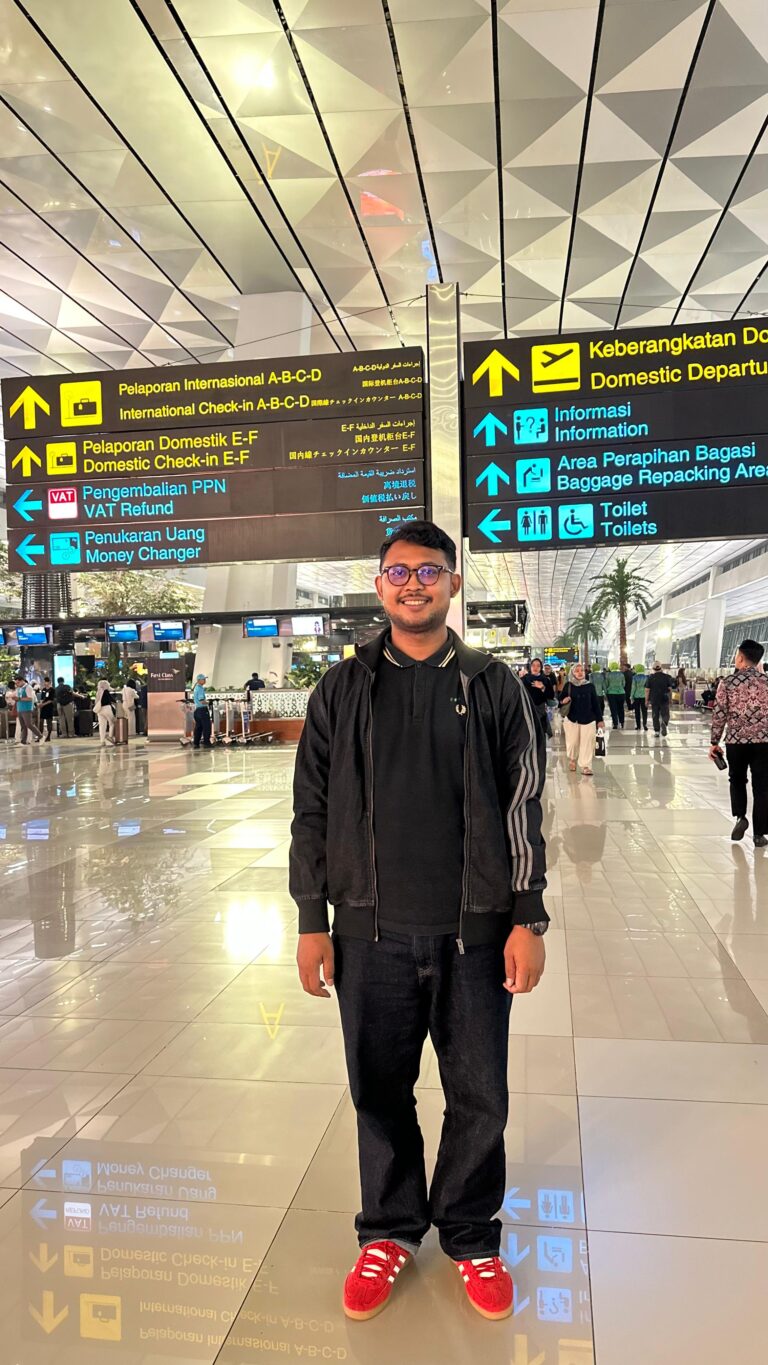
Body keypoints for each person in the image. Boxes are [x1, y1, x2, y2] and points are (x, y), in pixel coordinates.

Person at [291, 520, 547, 1325]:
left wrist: (528, 915)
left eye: (429, 571)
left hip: (475, 931)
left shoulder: (493, 684)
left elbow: (523, 805)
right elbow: (311, 810)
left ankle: (470, 1232)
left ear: (453, 583)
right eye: (399, 572)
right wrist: (311, 917)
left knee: (480, 1094)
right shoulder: (342, 689)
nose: (413, 584)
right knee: (378, 1090)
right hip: (368, 933)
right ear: (380, 586)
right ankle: (390, 1227)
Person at [710, 639, 768, 847]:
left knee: (736, 779)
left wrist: (714, 741)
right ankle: (759, 834)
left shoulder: (727, 683)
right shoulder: (766, 682)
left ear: (741, 657)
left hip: (736, 741)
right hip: (764, 741)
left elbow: (719, 714)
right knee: (762, 786)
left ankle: (740, 816)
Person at [559, 662, 603, 775]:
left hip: (589, 719)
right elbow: (560, 700)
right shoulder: (568, 685)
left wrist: (600, 720)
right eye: (577, 671)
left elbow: (595, 703)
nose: (580, 673)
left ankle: (586, 766)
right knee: (573, 742)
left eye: (582, 670)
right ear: (572, 673)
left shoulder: (590, 686)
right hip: (572, 719)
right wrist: (563, 701)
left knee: (587, 743)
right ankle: (572, 759)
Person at [522, 657, 555, 737]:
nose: (535, 668)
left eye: (538, 666)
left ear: (541, 668)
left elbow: (551, 695)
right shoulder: (524, 679)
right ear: (530, 667)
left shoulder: (545, 680)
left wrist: (543, 687)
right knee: (528, 735)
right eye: (533, 665)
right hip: (527, 711)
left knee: (540, 735)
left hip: (540, 711)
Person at [645, 661, 674, 737]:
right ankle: (664, 722)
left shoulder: (650, 677)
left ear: (653, 668)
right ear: (661, 668)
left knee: (655, 714)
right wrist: (670, 699)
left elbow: (647, 690)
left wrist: (646, 700)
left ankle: (657, 731)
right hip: (664, 697)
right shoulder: (667, 677)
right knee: (665, 713)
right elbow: (670, 689)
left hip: (654, 698)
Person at [15, 675, 41, 745]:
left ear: (22, 681)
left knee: (29, 724)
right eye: (16, 683)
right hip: (20, 708)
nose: (17, 684)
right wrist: (15, 698)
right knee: (23, 726)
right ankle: (23, 741)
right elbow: (18, 698)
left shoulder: (28, 687)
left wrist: (19, 699)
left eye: (18, 683)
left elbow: (30, 698)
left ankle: (40, 736)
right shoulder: (19, 688)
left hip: (27, 709)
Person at [192, 673, 213, 749]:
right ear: (199, 680)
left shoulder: (196, 688)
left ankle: (196, 743)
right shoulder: (200, 688)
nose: (205, 680)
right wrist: (209, 702)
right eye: (203, 679)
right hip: (202, 710)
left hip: (197, 710)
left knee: (198, 727)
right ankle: (206, 743)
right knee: (206, 727)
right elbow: (202, 701)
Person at [94, 679, 117, 745]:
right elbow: (111, 699)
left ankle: (102, 741)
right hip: (107, 708)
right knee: (112, 722)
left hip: (99, 710)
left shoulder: (98, 692)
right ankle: (110, 736)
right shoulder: (105, 691)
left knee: (102, 725)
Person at [605, 664, 626, 729]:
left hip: (611, 693)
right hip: (621, 693)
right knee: (621, 708)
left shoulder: (608, 674)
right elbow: (623, 684)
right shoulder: (621, 674)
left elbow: (606, 684)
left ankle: (615, 724)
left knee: (613, 709)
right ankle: (622, 722)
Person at [630, 664, 648, 731]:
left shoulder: (635, 677)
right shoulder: (646, 677)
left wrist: (631, 696)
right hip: (644, 696)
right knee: (644, 711)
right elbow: (648, 688)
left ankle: (638, 726)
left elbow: (633, 687)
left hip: (636, 696)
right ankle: (645, 725)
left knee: (637, 711)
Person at [39, 676, 56, 741]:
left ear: (49, 682)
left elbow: (51, 700)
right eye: (44, 682)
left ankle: (48, 736)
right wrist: (40, 703)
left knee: (49, 722)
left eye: (46, 682)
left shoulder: (52, 690)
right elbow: (42, 698)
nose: (45, 683)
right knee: (41, 721)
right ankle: (40, 736)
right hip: (43, 708)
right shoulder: (43, 689)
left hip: (49, 707)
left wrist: (43, 704)